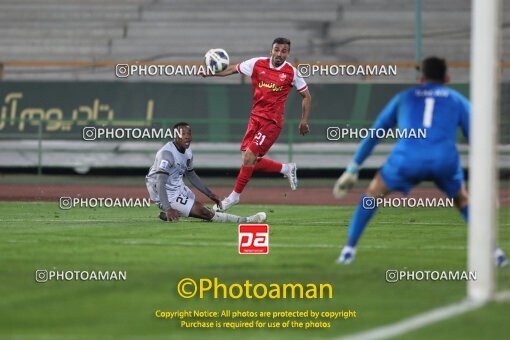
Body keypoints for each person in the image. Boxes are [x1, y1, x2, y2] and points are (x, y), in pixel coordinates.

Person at [333, 56, 507, 267]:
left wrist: (353, 167)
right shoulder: (456, 99)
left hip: (407, 159)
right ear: (448, 78)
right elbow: (478, 141)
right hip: (443, 159)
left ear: (421, 78)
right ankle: (495, 253)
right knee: (462, 199)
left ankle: (348, 251)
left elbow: (375, 133)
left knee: (372, 194)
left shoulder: (404, 97)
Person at [205, 37, 312, 212]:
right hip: (255, 118)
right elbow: (233, 69)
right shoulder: (257, 64)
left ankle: (234, 197)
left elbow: (307, 96)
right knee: (248, 159)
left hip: (272, 122)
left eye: (283, 51)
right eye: (276, 50)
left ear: (288, 53)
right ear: (271, 50)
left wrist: (304, 121)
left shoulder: (292, 72)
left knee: (248, 158)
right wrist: (211, 73)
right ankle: (286, 168)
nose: (279, 54)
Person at [146, 122, 266, 223]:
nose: (187, 137)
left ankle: (170, 214)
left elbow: (191, 175)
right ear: (175, 136)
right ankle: (247, 220)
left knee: (194, 203)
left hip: (176, 185)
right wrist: (167, 207)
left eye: (189, 133)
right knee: (204, 212)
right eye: (183, 134)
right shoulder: (167, 154)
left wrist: (210, 194)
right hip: (162, 191)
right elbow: (160, 182)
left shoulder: (188, 152)